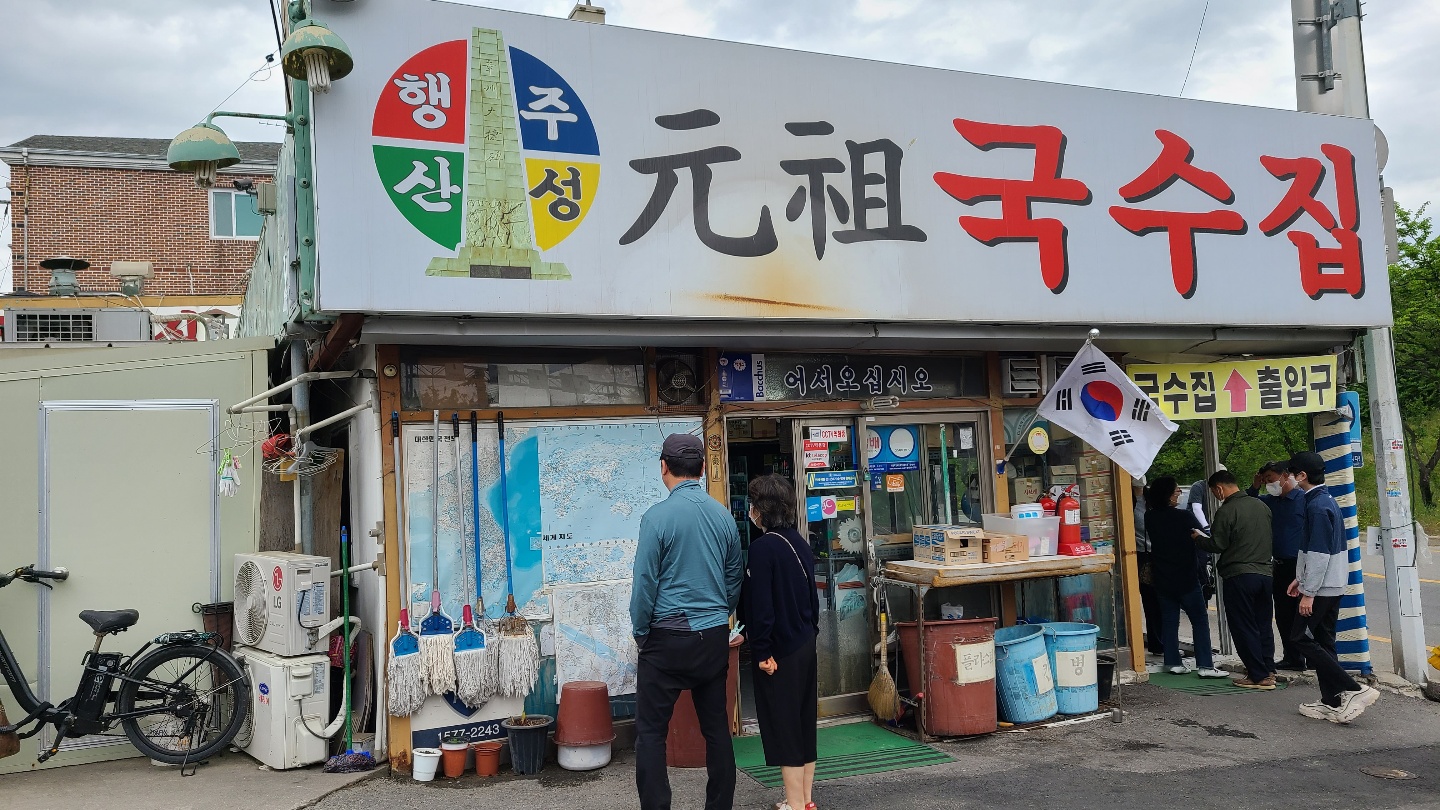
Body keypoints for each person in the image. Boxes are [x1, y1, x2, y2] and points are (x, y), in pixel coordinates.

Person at [631, 433, 744, 810]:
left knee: (650, 733)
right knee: (717, 731)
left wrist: (641, 632)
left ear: (663, 467)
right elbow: (734, 578)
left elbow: (645, 583)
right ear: (700, 470)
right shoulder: (724, 517)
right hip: (712, 637)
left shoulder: (656, 518)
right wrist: (717, 615)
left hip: (665, 638)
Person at [738, 475, 820, 810]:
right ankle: (805, 800)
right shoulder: (799, 541)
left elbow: (762, 608)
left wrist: (762, 652)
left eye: (753, 505)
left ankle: (794, 804)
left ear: (761, 509)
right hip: (804, 643)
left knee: (784, 727)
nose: (750, 511)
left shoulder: (762, 548)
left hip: (779, 652)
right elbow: (812, 602)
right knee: (803, 723)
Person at [1287, 451, 1380, 723]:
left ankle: (1354, 689)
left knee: (1300, 637)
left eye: (1291, 474)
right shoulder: (1325, 500)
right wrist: (1301, 579)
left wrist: (1308, 592)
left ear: (1302, 476)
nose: (1288, 479)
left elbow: (1318, 554)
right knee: (1325, 642)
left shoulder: (1316, 506)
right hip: (1332, 583)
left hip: (1322, 587)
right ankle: (1332, 701)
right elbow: (1319, 551)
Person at [1192, 470, 1276, 689]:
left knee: (1243, 626)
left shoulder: (1227, 511)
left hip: (1239, 575)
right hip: (1265, 574)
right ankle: (1268, 669)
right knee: (1263, 625)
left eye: (1213, 492)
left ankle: (1257, 675)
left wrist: (1198, 539)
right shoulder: (1262, 506)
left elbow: (1217, 544)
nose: (1215, 495)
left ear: (1219, 488)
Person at [1144, 477, 1228, 678]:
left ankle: (1173, 662)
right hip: (1187, 577)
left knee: (1170, 621)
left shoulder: (1150, 517)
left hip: (1163, 577)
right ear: (1167, 495)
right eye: (1175, 491)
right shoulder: (1185, 517)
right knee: (1199, 620)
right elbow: (1203, 536)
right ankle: (1206, 665)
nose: (1179, 493)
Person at [1250, 461, 1309, 671]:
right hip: (1279, 565)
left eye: (1270, 478)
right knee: (1283, 614)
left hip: (1300, 564)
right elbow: (1250, 503)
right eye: (1265, 480)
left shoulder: (1303, 498)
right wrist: (1255, 486)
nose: (1269, 483)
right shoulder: (1271, 501)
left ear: (1285, 476)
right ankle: (1292, 657)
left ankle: (1311, 657)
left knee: (1304, 613)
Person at [1132, 480, 1164, 656]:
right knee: (1148, 600)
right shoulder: (1127, 499)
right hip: (1136, 553)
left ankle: (1159, 642)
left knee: (1155, 601)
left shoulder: (1152, 498)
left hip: (1153, 554)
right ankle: (1154, 642)